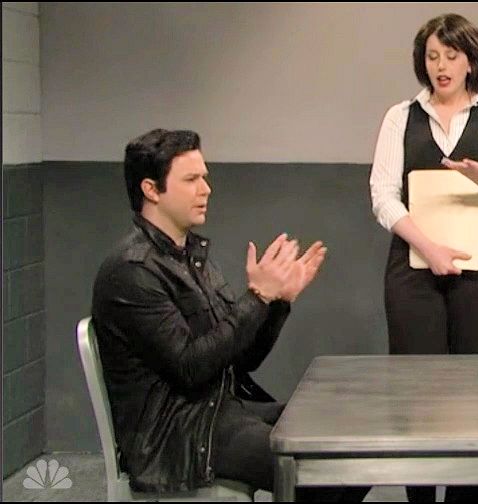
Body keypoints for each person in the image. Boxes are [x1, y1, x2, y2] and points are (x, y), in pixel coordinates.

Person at [92, 128, 368, 501]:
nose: (206, 189)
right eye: (191, 179)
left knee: (353, 441)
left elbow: (241, 359)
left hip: (216, 411)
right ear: (151, 190)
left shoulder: (190, 257)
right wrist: (257, 297)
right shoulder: (132, 271)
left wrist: (277, 302)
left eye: (204, 177)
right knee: (325, 471)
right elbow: (190, 367)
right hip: (177, 435)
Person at [369, 13, 478, 503]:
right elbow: (382, 196)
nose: (441, 66)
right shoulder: (400, 116)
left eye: (451, 56)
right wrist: (429, 248)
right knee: (415, 392)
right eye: (432, 56)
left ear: (471, 60)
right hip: (413, 271)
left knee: (475, 393)